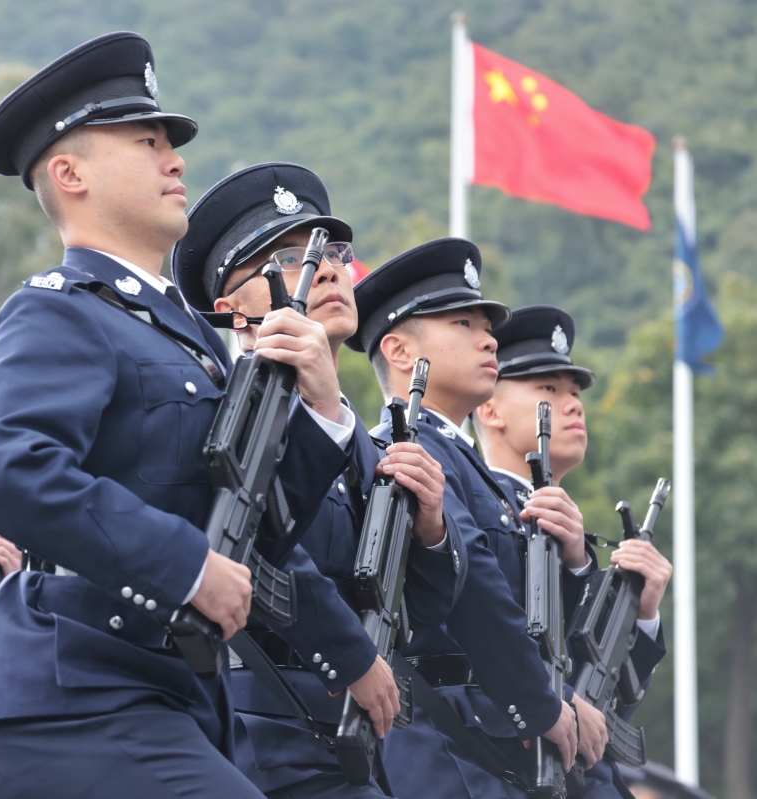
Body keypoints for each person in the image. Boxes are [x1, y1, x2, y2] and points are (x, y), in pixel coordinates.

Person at [0, 31, 403, 799]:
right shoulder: (57, 312)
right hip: (67, 697)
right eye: (146, 141)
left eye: (171, 142)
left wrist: (324, 409)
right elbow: (2, 467)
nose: (176, 160)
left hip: (154, 694)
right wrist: (186, 566)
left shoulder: (187, 338)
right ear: (70, 173)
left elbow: (252, 527)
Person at [173, 161, 464, 799]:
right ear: (232, 311)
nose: (327, 268)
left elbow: (419, 609)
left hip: (362, 742)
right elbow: (257, 556)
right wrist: (352, 658)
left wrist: (434, 529)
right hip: (258, 733)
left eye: (332, 251)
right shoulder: (215, 417)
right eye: (287, 260)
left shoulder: (358, 436)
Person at [348, 238, 582, 799]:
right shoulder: (405, 451)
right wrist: (542, 704)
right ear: (400, 351)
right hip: (440, 740)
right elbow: (472, 588)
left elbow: (531, 613)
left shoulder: (462, 462)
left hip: (482, 738)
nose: (488, 339)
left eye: (487, 326)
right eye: (463, 324)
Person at [475, 304, 670, 799]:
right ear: (490, 409)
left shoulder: (568, 533)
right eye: (548, 389)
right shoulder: (475, 507)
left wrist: (641, 615)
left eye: (575, 392)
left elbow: (604, 713)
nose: (573, 404)